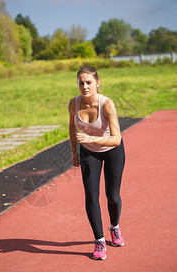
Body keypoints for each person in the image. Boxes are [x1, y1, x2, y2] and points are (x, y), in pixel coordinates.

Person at [68, 65, 125, 260]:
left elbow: (116, 139)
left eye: (89, 82)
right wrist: (74, 152)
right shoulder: (73, 104)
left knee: (112, 196)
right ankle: (99, 240)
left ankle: (115, 227)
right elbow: (71, 126)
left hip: (112, 152)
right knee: (91, 196)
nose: (85, 86)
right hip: (88, 153)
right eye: (81, 83)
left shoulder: (107, 104)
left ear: (97, 83)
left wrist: (91, 139)